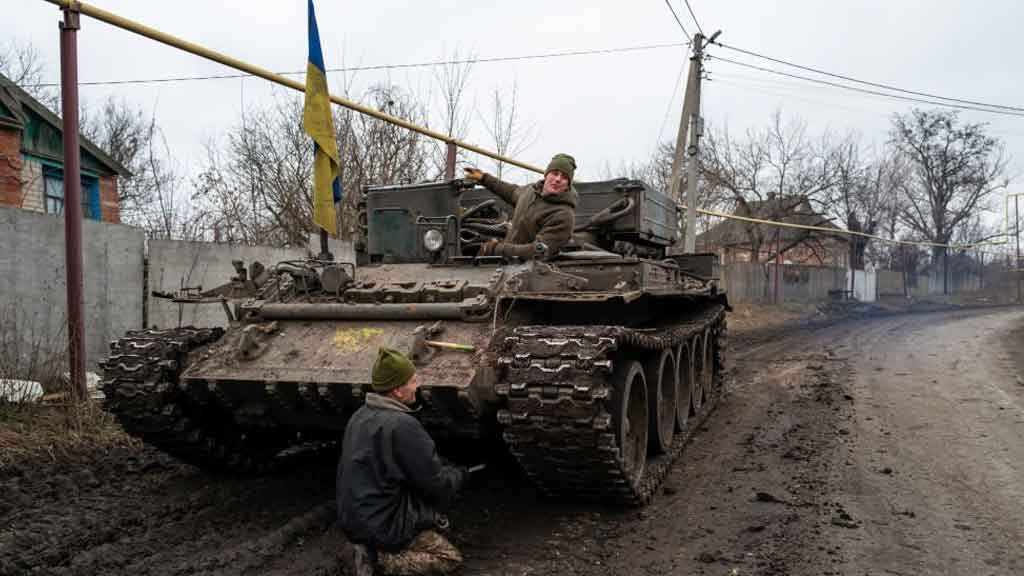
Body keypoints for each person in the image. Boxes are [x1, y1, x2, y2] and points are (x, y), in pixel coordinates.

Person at [337, 348, 468, 576]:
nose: (417, 385)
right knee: (449, 558)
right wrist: (459, 475)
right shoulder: (403, 425)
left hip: (356, 518)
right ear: (397, 390)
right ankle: (378, 559)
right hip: (383, 527)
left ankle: (363, 546)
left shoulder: (359, 416)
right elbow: (436, 486)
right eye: (413, 380)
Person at [463, 153, 579, 260]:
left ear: (567, 185)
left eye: (564, 177)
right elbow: (511, 191)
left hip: (530, 273)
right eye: (555, 173)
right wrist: (484, 178)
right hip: (505, 261)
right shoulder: (530, 191)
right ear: (546, 175)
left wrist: (496, 249)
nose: (558, 179)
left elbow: (538, 251)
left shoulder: (563, 215)